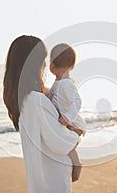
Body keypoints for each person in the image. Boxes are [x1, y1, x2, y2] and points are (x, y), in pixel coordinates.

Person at [3, 35, 83, 193]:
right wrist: (77, 134)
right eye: (43, 60)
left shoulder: (24, 100)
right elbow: (61, 143)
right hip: (53, 184)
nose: (45, 65)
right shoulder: (36, 100)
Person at [48, 43, 86, 182]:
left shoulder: (65, 84)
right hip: (67, 121)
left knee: (68, 146)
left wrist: (67, 118)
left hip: (72, 122)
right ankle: (74, 164)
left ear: (51, 66)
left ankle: (77, 164)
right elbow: (53, 96)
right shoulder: (59, 81)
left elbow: (77, 101)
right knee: (66, 146)